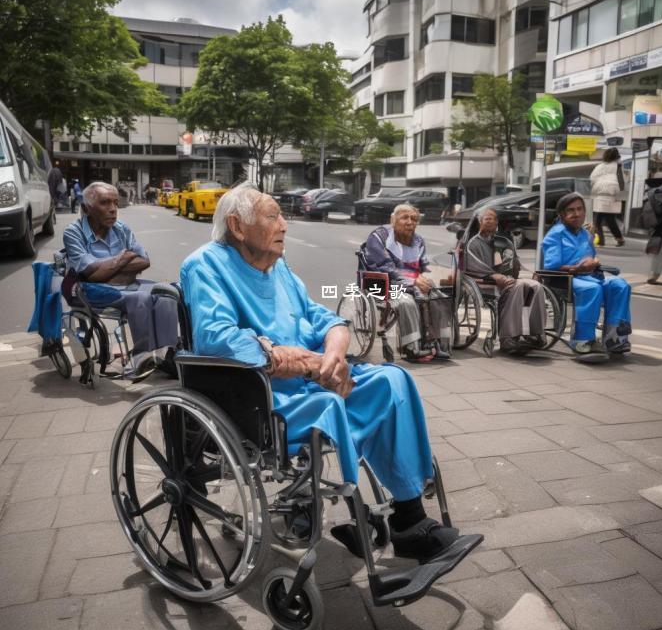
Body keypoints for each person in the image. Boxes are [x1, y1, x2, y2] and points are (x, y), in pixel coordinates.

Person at [180, 184, 475, 563]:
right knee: (330, 404)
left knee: (393, 381)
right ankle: (360, 515)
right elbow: (215, 339)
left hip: (313, 376)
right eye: (273, 216)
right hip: (264, 394)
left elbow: (320, 316)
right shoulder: (205, 265)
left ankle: (408, 518)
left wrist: (335, 351)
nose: (285, 224)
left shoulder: (278, 266)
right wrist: (303, 361)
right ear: (238, 226)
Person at [63, 181, 177, 372]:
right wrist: (124, 257)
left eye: (115, 203)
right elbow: (90, 274)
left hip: (122, 284)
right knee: (140, 298)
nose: (113, 209)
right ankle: (141, 356)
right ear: (86, 208)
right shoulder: (73, 233)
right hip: (88, 289)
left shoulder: (121, 228)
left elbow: (145, 260)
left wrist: (108, 269)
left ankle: (168, 354)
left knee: (167, 293)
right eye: (105, 203)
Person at [542, 192, 631, 355]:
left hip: (590, 276)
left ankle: (615, 337)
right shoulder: (555, 234)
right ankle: (582, 339)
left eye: (580, 209)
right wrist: (578, 269)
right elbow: (551, 266)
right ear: (562, 214)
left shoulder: (586, 234)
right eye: (570, 210)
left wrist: (593, 263)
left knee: (620, 285)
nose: (576, 214)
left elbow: (589, 258)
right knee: (591, 288)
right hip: (566, 279)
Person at [363, 204, 451, 363]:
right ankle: (411, 347)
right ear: (393, 220)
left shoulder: (418, 240)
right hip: (385, 283)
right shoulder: (379, 237)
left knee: (440, 298)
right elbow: (386, 268)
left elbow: (424, 266)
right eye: (405, 218)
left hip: (413, 283)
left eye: (414, 219)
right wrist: (412, 282)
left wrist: (428, 278)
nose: (410, 222)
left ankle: (439, 344)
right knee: (406, 302)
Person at [466, 208, 547, 352]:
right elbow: (474, 265)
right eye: (487, 218)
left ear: (497, 222)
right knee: (518, 287)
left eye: (493, 218)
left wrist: (530, 272)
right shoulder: (473, 243)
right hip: (486, 282)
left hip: (509, 279)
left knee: (535, 286)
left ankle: (534, 333)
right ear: (480, 222)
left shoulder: (503, 241)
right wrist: (494, 276)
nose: (490, 221)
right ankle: (508, 338)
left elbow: (515, 263)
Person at [589, 148, 625, 247]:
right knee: (610, 219)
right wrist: (621, 195)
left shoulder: (599, 166)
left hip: (599, 194)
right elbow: (621, 181)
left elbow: (592, 178)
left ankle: (600, 240)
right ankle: (619, 239)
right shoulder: (618, 166)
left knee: (597, 220)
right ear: (616, 156)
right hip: (612, 194)